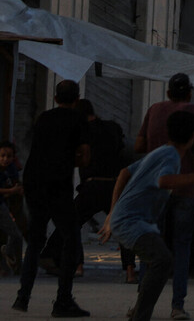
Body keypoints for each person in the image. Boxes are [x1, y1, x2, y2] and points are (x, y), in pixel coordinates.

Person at [100, 111, 194, 321]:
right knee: (162, 260)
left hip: (129, 220)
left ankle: (138, 313)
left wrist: (113, 212)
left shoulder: (161, 152)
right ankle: (140, 316)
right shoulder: (170, 156)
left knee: (159, 261)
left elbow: (124, 173)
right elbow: (164, 181)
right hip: (131, 222)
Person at [13, 80, 91, 317]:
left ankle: (23, 297)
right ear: (76, 99)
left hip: (34, 181)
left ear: (56, 98)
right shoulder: (78, 119)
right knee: (72, 241)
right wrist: (72, 159)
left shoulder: (44, 118)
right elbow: (85, 157)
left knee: (35, 241)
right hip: (58, 184)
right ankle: (63, 300)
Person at [135, 73, 194, 320]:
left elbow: (138, 146)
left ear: (168, 93)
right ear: (188, 92)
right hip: (185, 187)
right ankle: (177, 306)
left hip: (155, 188)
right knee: (182, 246)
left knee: (150, 246)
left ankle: (141, 304)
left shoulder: (155, 109)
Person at [39, 99, 135, 280]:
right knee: (122, 224)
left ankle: (61, 260)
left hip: (92, 186)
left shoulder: (81, 131)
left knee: (71, 222)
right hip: (115, 185)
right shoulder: (112, 127)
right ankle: (130, 271)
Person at [0, 141, 24, 276]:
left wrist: (16, 190)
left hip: (3, 205)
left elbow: (15, 185)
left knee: (16, 235)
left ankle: (15, 264)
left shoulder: (11, 169)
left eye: (8, 156)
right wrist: (12, 190)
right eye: (2, 156)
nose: (5, 159)